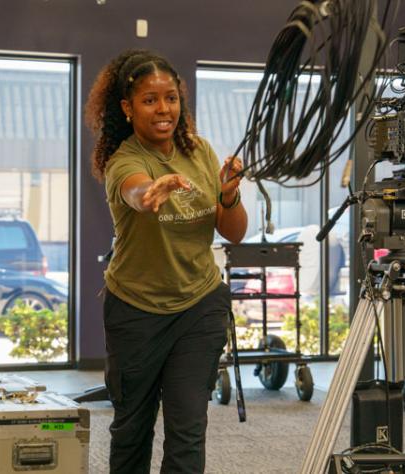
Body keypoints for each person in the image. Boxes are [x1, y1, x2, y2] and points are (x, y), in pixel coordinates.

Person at [85, 49, 248, 474]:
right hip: (136, 311)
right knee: (132, 430)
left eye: (171, 98)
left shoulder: (201, 152)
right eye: (150, 99)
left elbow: (233, 231)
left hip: (199, 306)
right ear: (127, 107)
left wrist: (228, 193)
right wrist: (149, 193)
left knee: (188, 429)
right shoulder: (124, 160)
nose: (164, 109)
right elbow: (134, 191)